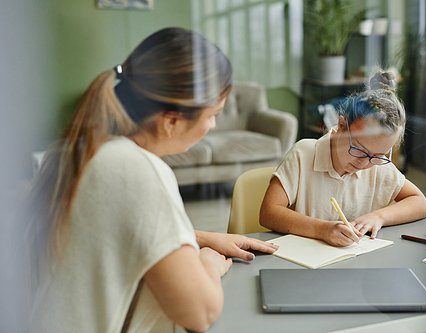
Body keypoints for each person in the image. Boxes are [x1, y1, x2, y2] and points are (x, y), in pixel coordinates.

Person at [25, 27, 278, 333]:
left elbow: (112, 228)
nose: (212, 126)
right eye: (214, 114)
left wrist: (200, 237)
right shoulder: (138, 171)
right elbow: (200, 314)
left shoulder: (74, 150)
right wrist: (209, 260)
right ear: (171, 121)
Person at [260, 71, 426, 247]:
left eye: (378, 156)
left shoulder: (376, 165)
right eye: (358, 149)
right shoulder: (304, 154)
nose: (364, 163)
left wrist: (378, 217)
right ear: (341, 125)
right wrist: (321, 230)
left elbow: (420, 203)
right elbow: (268, 212)